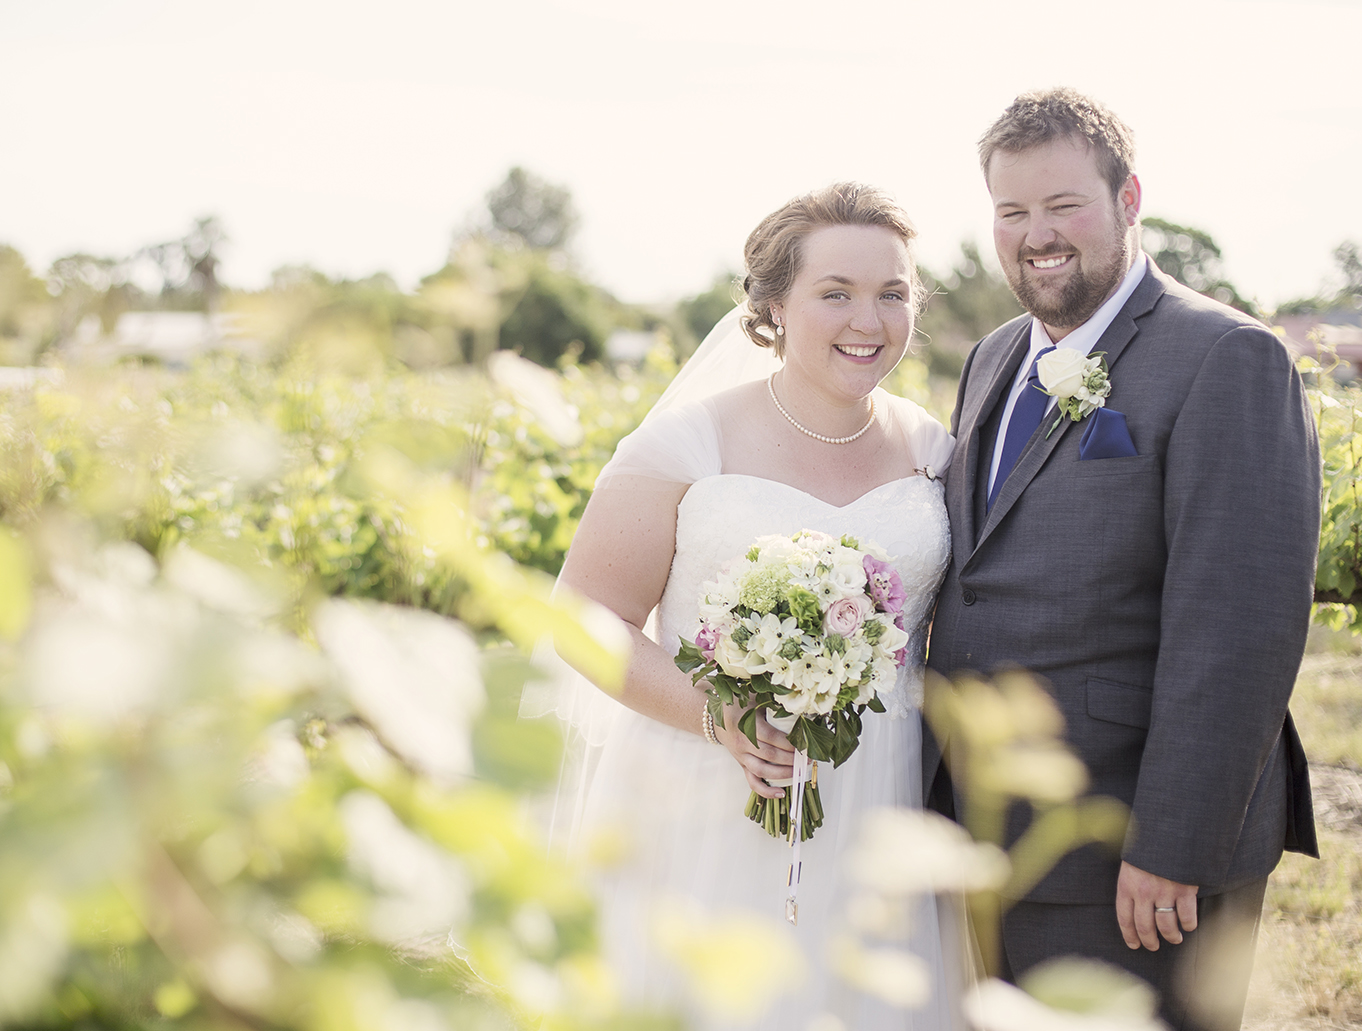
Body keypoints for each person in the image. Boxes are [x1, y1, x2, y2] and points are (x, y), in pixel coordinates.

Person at [925, 88, 1321, 1031]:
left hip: (1130, 850)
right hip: (988, 828)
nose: (1036, 236)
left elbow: (1238, 628)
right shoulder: (992, 355)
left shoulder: (1227, 355)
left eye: (1063, 205)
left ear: (1129, 197)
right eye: (1012, 212)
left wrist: (1173, 844)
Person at [526, 183, 963, 1029]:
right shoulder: (687, 442)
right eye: (834, 293)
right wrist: (715, 716)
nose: (867, 320)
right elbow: (582, 617)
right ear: (771, 305)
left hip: (883, 791)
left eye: (892, 293)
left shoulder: (933, 449)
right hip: (705, 789)